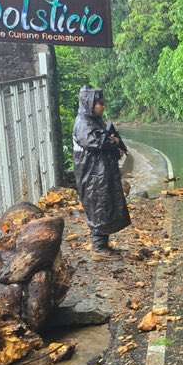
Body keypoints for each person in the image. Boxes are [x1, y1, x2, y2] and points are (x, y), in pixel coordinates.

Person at [73, 85, 131, 257]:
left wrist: (113, 142)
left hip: (100, 172)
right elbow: (96, 141)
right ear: (89, 103)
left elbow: (104, 139)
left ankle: (103, 244)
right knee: (98, 204)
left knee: (105, 204)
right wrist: (111, 140)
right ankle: (99, 247)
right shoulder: (83, 122)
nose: (102, 106)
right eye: (98, 103)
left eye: (102, 102)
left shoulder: (93, 120)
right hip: (92, 174)